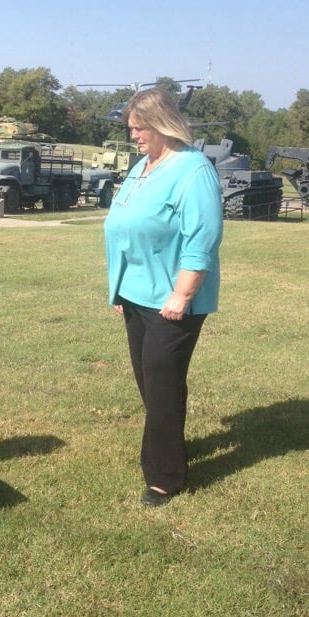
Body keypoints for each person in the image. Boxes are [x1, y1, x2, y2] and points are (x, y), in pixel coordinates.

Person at [103, 88, 223, 506]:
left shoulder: (193, 170)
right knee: (152, 383)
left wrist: (182, 294)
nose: (133, 135)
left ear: (162, 124)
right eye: (131, 129)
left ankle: (165, 477)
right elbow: (124, 225)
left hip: (173, 302)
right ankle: (166, 450)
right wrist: (118, 287)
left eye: (138, 128)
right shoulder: (145, 166)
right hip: (137, 294)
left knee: (161, 384)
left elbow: (201, 239)